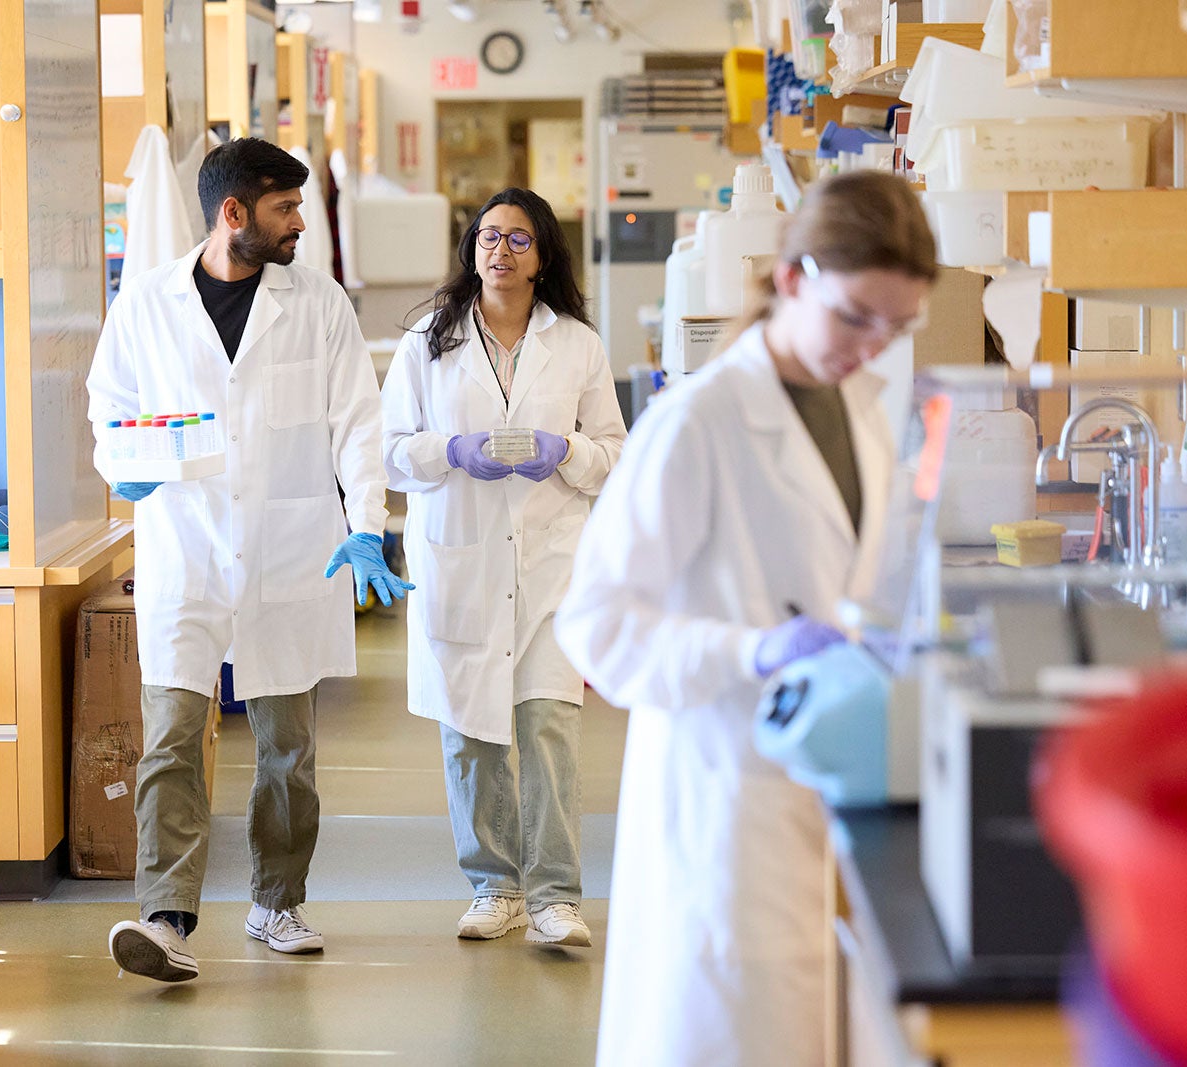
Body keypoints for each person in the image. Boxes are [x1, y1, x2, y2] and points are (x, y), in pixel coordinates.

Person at [555, 171, 937, 1064]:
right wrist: (754, 647)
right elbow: (598, 624)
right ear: (796, 279)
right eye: (856, 316)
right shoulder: (700, 421)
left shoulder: (863, 411)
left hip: (839, 776)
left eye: (899, 327)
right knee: (733, 1026)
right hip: (727, 787)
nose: (873, 346)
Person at [87, 137, 412, 983]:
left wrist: (368, 521)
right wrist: (119, 463)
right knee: (171, 738)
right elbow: (109, 408)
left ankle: (277, 901)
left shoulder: (318, 302)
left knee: (288, 750)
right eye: (285, 207)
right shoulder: (148, 303)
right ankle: (166, 917)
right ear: (234, 213)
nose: (301, 221)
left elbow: (358, 422)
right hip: (185, 548)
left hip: (293, 548)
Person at [380, 188, 627, 946]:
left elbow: (615, 452)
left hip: (552, 561)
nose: (501, 251)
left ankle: (555, 896)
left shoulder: (578, 343)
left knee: (548, 725)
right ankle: (495, 886)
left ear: (543, 254)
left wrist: (570, 453)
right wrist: (451, 451)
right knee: (472, 731)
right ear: (471, 249)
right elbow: (390, 448)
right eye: (489, 237)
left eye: (519, 239)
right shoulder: (428, 339)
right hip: (463, 558)